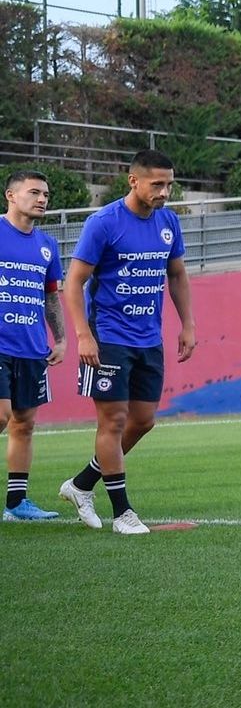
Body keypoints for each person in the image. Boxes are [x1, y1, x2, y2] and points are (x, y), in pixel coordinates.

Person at [58, 150, 196, 535]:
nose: (165, 192)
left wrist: (188, 324)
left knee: (143, 420)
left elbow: (178, 275)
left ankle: (82, 484)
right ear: (132, 181)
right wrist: (84, 334)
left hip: (148, 338)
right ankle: (122, 514)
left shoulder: (168, 222)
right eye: (157, 184)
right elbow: (73, 282)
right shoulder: (103, 223)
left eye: (169, 184)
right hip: (108, 336)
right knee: (114, 420)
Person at [1, 170, 65, 522]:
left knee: (23, 424)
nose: (42, 199)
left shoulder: (47, 245)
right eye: (34, 192)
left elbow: (51, 296)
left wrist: (62, 338)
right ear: (11, 195)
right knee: (2, 415)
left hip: (31, 347)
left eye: (46, 194)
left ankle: (16, 504)